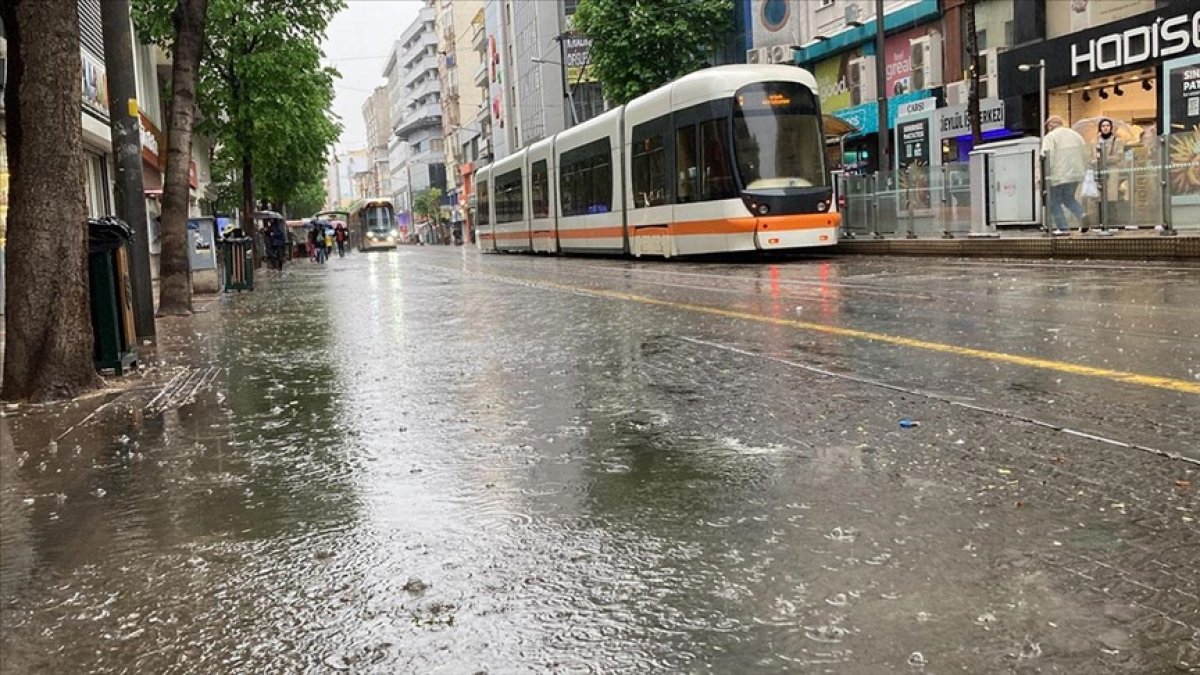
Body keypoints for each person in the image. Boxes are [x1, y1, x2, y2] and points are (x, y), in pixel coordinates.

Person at [1040, 115, 1088, 235]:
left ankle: (1063, 228)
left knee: (1053, 201)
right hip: (1077, 173)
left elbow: (1046, 156)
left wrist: (1046, 175)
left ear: (1050, 125)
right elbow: (1085, 153)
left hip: (1058, 175)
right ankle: (1082, 214)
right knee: (1068, 198)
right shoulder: (1076, 135)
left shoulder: (1050, 137)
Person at [1092, 117, 1125, 234]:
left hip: (1112, 170)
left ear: (1111, 127)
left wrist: (1104, 159)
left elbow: (1119, 156)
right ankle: (1101, 222)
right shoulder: (1096, 141)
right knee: (1100, 197)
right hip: (1099, 171)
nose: (1105, 128)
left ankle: (1113, 222)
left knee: (1111, 196)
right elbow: (1093, 156)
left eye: (1107, 126)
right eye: (1103, 126)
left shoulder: (1117, 141)